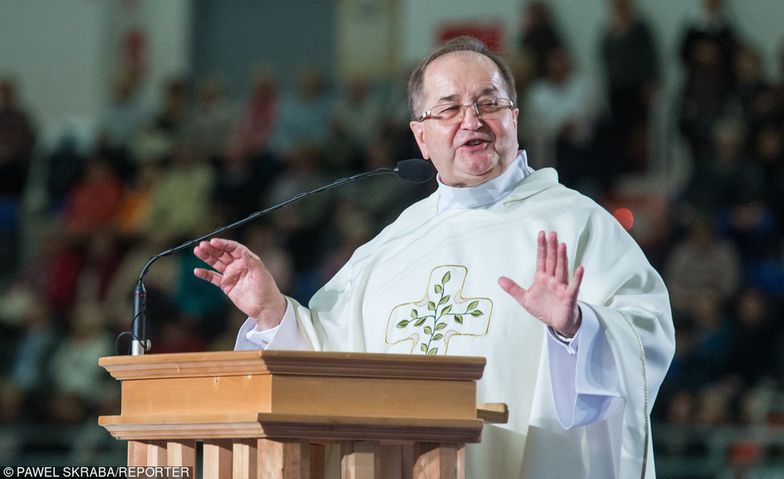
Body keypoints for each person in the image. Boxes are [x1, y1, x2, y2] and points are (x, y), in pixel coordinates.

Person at [193, 36, 674, 478]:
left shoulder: (577, 224)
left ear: (514, 118)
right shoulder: (391, 246)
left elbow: (645, 335)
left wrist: (574, 330)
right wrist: (272, 312)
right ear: (421, 138)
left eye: (489, 103)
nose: (472, 120)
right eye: (449, 109)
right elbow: (325, 355)